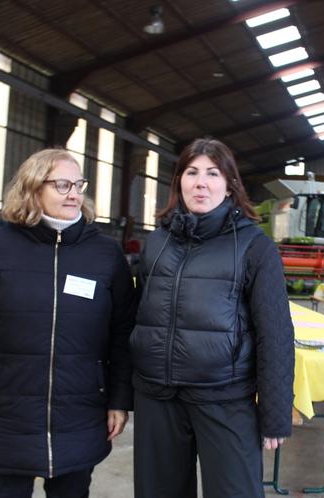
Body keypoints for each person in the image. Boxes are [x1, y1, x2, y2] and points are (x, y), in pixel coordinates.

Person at [0, 148, 136, 498]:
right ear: (32, 187)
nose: (74, 193)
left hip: (81, 409)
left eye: (78, 184)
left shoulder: (105, 254)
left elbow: (122, 333)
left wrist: (119, 398)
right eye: (62, 184)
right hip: (7, 411)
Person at [130, 137, 295, 498]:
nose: (201, 182)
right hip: (157, 395)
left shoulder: (254, 246)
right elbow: (138, 314)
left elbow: (276, 333)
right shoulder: (156, 243)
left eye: (212, 173)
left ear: (230, 184)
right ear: (179, 182)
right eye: (191, 172)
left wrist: (275, 413)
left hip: (224, 396)